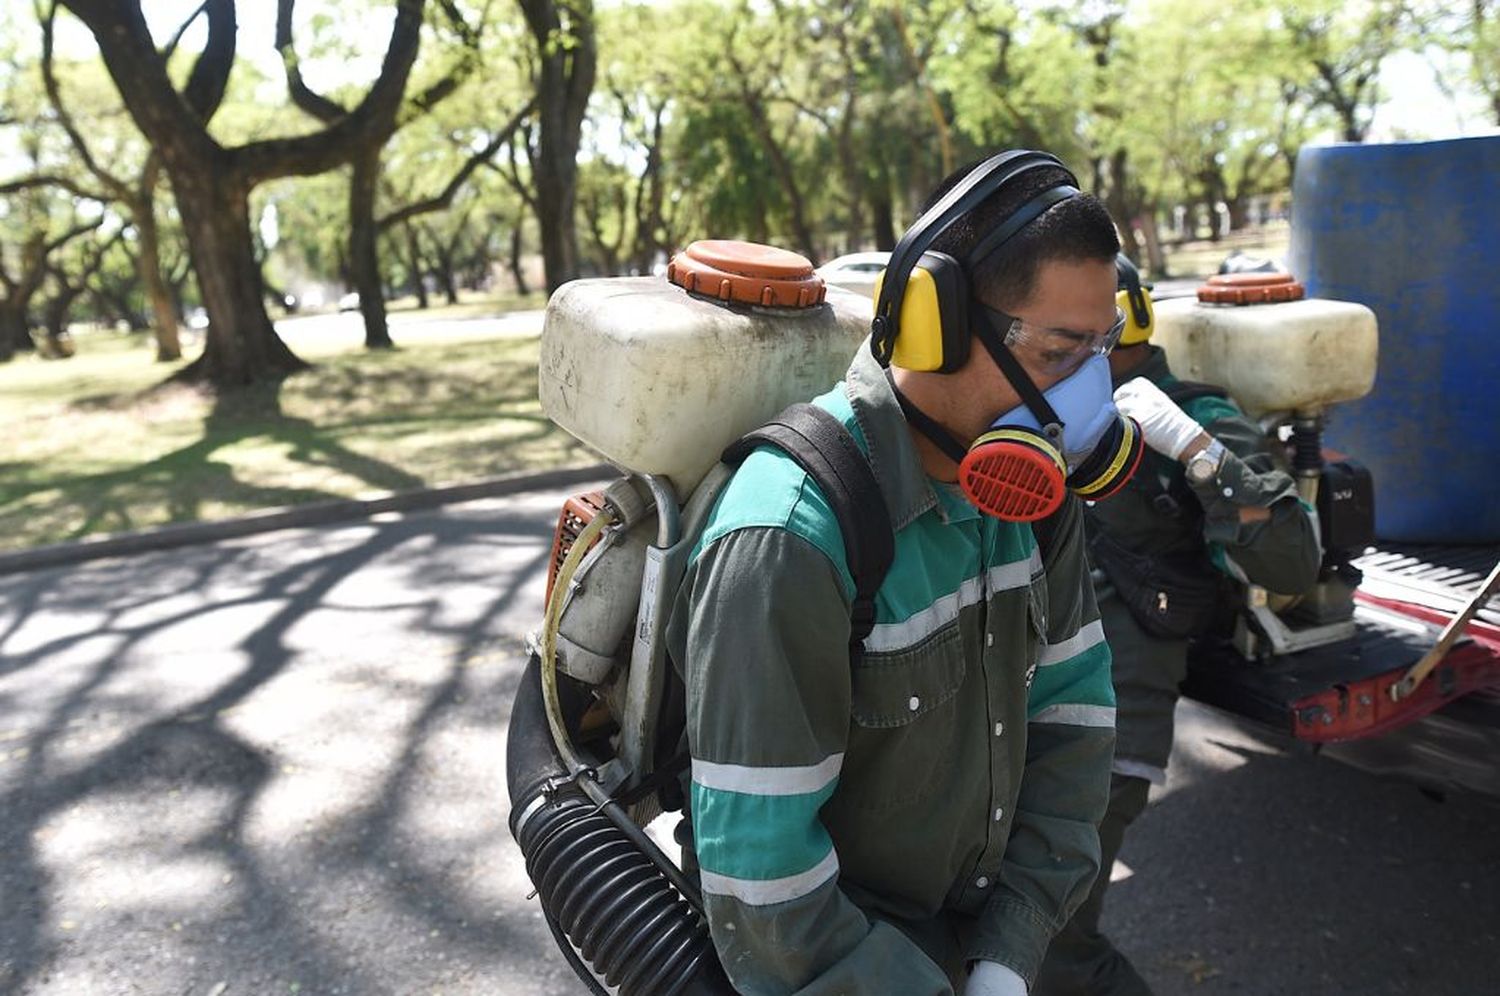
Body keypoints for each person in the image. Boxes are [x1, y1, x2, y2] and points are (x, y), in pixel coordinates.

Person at [665, 150, 1130, 995]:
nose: (1088, 393)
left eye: (1100, 348)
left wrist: (1009, 952)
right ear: (936, 327)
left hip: (988, 930)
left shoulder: (1036, 494)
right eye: (1063, 352)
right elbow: (766, 884)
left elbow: (1076, 716)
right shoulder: (792, 535)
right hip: (855, 953)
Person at [1033, 265, 1322, 995]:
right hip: (1020, 694)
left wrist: (1198, 451)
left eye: (1078, 330)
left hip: (1113, 710)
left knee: (1051, 941)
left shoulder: (1191, 412)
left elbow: (1295, 559)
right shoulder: (1038, 409)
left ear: (1122, 321)